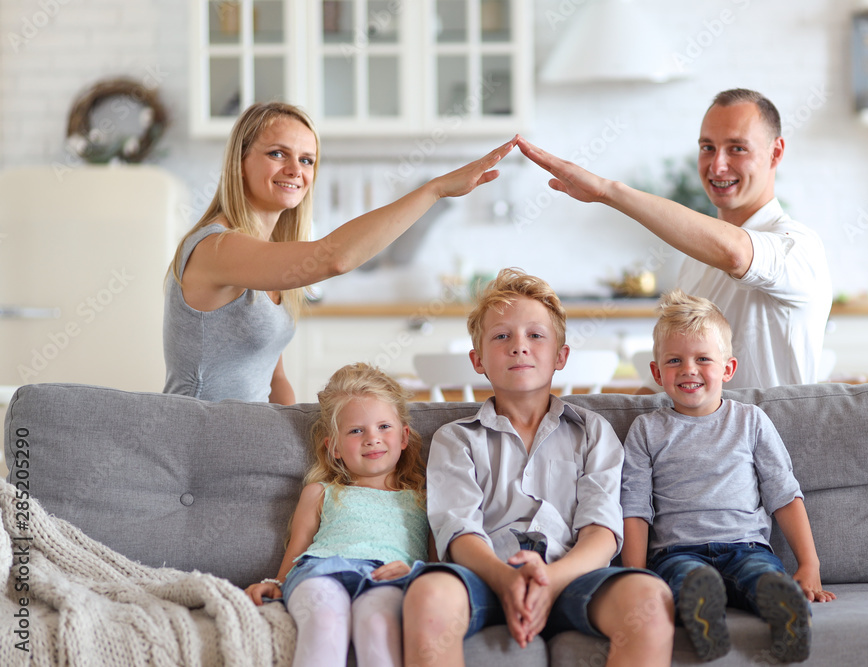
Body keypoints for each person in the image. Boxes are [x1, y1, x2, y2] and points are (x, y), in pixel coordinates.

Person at [403, 268, 674, 667]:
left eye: (535, 335)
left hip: (573, 576)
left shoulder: (593, 432)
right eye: (501, 336)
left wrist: (551, 582)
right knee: (428, 596)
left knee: (651, 600)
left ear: (561, 356)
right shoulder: (455, 439)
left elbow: (600, 531)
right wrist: (504, 578)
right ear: (477, 360)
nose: (519, 347)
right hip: (485, 574)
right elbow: (458, 531)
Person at [164, 102, 516, 403]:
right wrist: (434, 190)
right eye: (277, 153)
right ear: (240, 161)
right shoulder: (216, 247)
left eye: (307, 160)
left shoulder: (269, 257)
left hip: (248, 441)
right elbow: (335, 258)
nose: (295, 170)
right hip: (198, 445)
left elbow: (275, 381)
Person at [517, 88, 831, 390]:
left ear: (775, 153)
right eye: (707, 147)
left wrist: (608, 192)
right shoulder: (694, 264)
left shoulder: (799, 247)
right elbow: (677, 382)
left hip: (777, 442)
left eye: (737, 148)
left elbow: (736, 253)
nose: (717, 165)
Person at [620, 289, 835, 663]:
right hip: (677, 552)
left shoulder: (750, 421)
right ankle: (706, 620)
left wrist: (809, 564)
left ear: (727, 369)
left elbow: (783, 493)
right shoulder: (646, 430)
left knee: (761, 577)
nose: (689, 369)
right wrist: (634, 578)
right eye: (675, 360)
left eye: (703, 358)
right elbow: (634, 508)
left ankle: (786, 613)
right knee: (686, 580)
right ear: (656, 373)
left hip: (746, 546)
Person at [245, 362, 429, 667]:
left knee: (378, 623)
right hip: (320, 573)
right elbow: (297, 550)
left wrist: (415, 572)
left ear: (404, 436)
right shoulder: (319, 492)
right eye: (356, 431)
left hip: (388, 579)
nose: (372, 438)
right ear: (335, 448)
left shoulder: (423, 499)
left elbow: (438, 563)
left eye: (384, 426)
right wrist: (275, 582)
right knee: (325, 619)